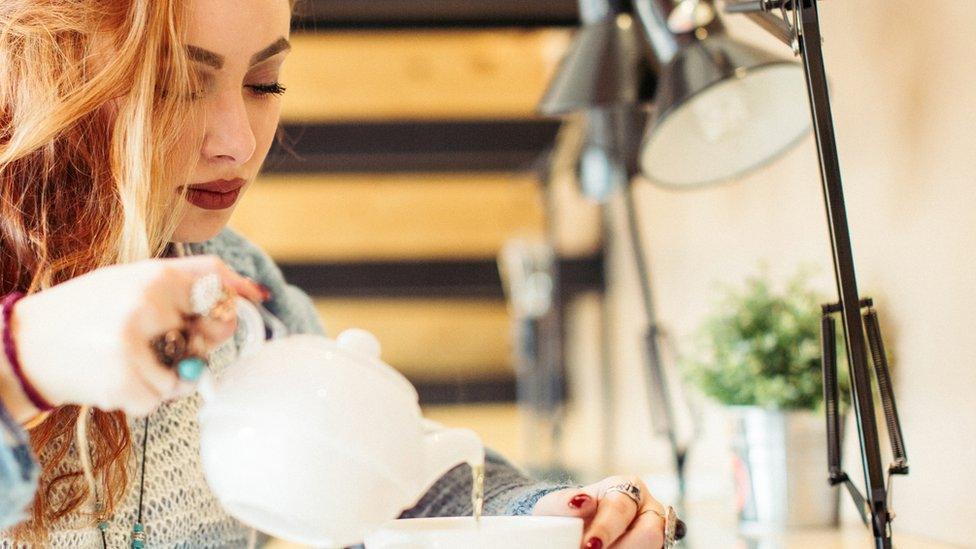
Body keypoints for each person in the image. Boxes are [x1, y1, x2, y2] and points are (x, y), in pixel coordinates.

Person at [0, 1, 682, 547]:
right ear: (55, 70)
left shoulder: (241, 289)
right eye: (178, 85)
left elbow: (390, 476)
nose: (237, 140)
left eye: (264, 84)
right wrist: (24, 358)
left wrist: (541, 513)